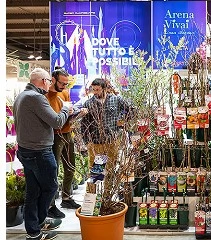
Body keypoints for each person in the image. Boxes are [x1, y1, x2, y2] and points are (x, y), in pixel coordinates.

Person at [13, 68, 70, 240]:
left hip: (26, 150)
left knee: (33, 190)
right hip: (39, 152)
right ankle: (36, 225)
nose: (50, 84)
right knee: (50, 187)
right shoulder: (36, 98)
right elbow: (57, 121)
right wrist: (66, 108)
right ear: (44, 81)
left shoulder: (22, 96)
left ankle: (34, 227)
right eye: (49, 81)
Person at [45, 67, 88, 216]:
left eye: (66, 84)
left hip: (67, 132)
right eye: (62, 83)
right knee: (53, 170)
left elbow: (68, 115)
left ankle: (66, 197)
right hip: (54, 135)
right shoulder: (45, 95)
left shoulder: (64, 92)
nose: (64, 86)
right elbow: (52, 119)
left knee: (70, 166)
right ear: (53, 80)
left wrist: (78, 114)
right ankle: (50, 205)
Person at [80, 78, 132, 168]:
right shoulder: (88, 104)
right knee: (96, 174)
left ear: (104, 89)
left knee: (110, 171)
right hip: (96, 143)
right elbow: (84, 124)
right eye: (93, 89)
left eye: (97, 90)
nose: (95, 92)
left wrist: (122, 120)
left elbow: (130, 111)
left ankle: (109, 182)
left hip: (112, 141)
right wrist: (86, 142)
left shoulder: (116, 100)